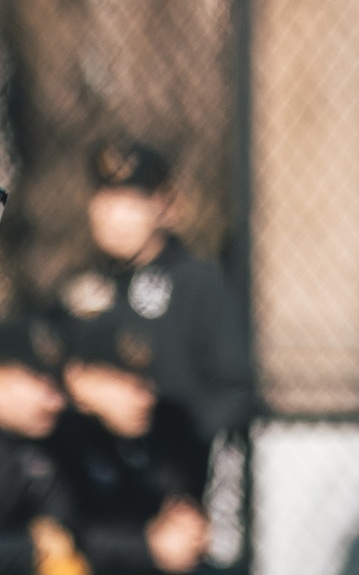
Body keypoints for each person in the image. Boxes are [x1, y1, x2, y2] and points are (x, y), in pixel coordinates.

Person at [61, 141, 251, 446]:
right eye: (107, 200)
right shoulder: (77, 287)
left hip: (178, 471)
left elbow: (235, 391)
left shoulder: (199, 284)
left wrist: (180, 461)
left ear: (163, 206)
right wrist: (84, 389)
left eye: (131, 202)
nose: (115, 217)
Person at [51, 303, 210, 575]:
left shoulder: (156, 432)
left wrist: (182, 526)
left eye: (148, 382)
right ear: (80, 378)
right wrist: (147, 546)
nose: (145, 398)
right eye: (130, 383)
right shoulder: (53, 440)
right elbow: (58, 537)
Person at [0, 309, 86, 575]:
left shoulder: (43, 442)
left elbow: (65, 524)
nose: (56, 402)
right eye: (44, 385)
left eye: (59, 388)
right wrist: (31, 549)